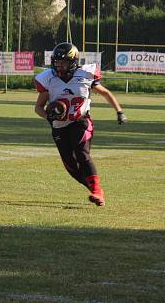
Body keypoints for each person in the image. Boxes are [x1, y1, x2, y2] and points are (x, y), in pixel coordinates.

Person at [34, 42, 128, 207]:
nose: (59, 66)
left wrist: (119, 111)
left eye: (63, 62)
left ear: (73, 62)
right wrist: (50, 117)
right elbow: (38, 108)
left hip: (81, 121)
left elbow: (105, 93)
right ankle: (95, 190)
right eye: (56, 62)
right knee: (70, 165)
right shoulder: (49, 79)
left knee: (82, 153)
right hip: (59, 126)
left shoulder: (85, 75)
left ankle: (97, 190)